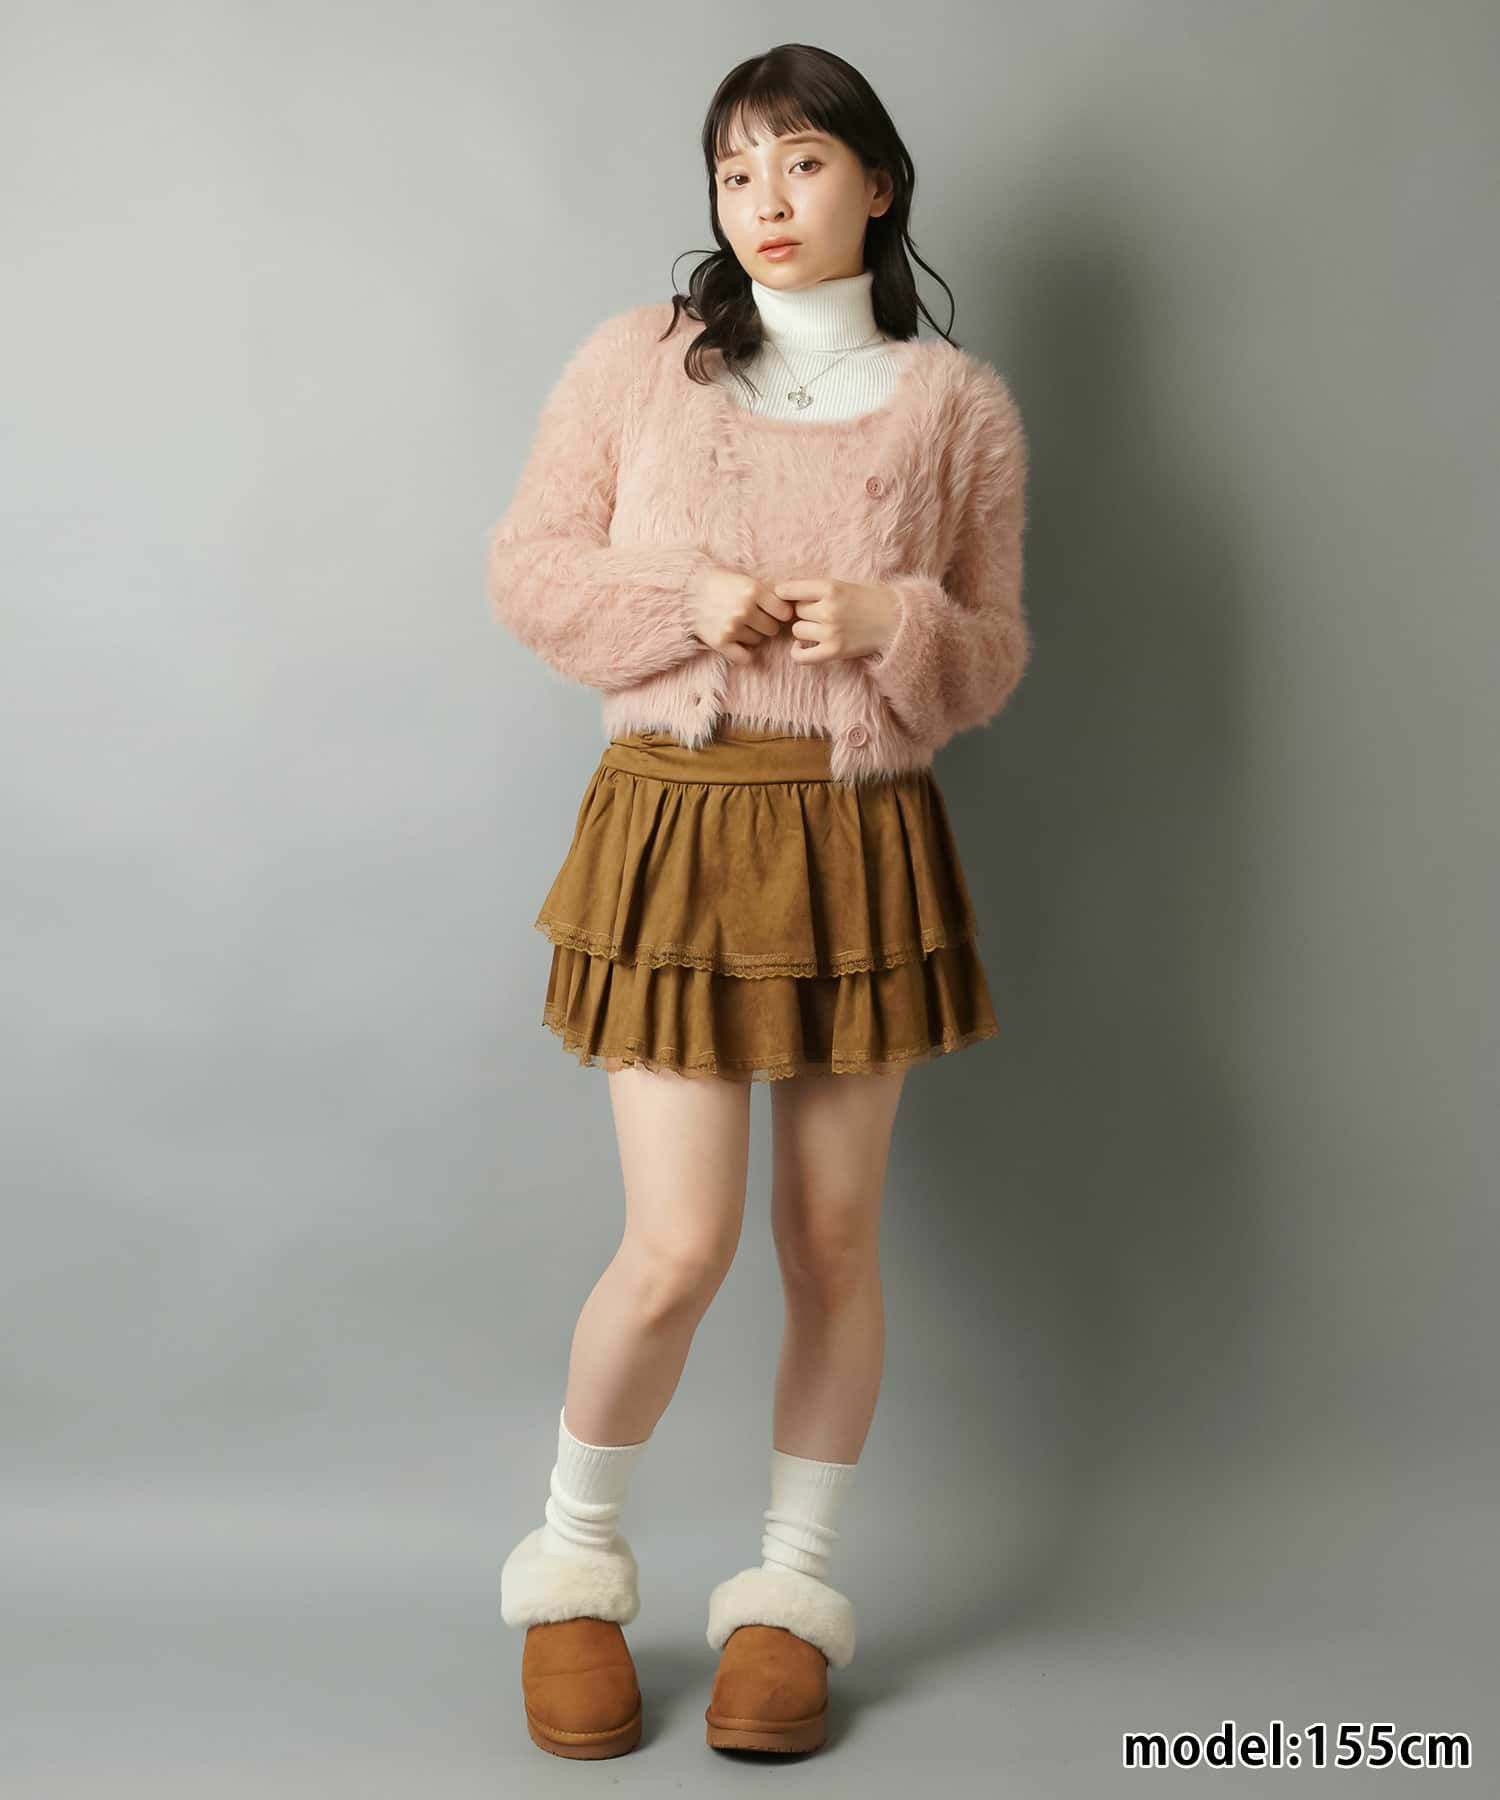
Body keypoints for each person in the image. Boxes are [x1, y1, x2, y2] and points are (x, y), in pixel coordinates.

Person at [486, 42, 1031, 1761]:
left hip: (860, 837)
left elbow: (990, 653)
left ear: (879, 182)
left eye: (800, 163)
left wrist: (899, 627)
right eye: (735, 171)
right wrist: (686, 595)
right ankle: (573, 1571)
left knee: (833, 1243)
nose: (765, 202)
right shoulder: (637, 363)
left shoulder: (956, 405)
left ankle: (789, 1600)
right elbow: (530, 572)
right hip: (676, 825)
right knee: (677, 1248)